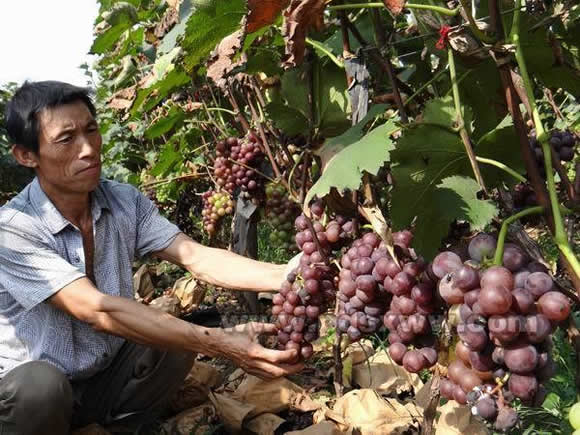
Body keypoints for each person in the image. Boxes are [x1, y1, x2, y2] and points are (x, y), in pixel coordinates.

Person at [0, 81, 302, 434]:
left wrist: (289, 273)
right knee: (41, 388)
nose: (88, 149)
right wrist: (221, 343)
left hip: (101, 376)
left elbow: (196, 257)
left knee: (176, 343)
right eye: (66, 139)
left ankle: (116, 427)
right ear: (26, 155)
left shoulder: (123, 201)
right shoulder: (14, 229)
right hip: (33, 397)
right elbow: (97, 309)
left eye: (92, 130)